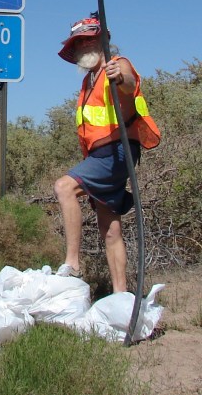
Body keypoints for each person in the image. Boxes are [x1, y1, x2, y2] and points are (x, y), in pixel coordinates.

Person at [54, 16, 160, 292]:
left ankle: (73, 263)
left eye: (89, 39)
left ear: (102, 40)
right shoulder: (88, 82)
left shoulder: (117, 65)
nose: (83, 47)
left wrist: (120, 77)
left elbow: (127, 83)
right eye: (78, 44)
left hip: (117, 151)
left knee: (65, 187)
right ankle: (121, 295)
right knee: (110, 228)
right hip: (101, 156)